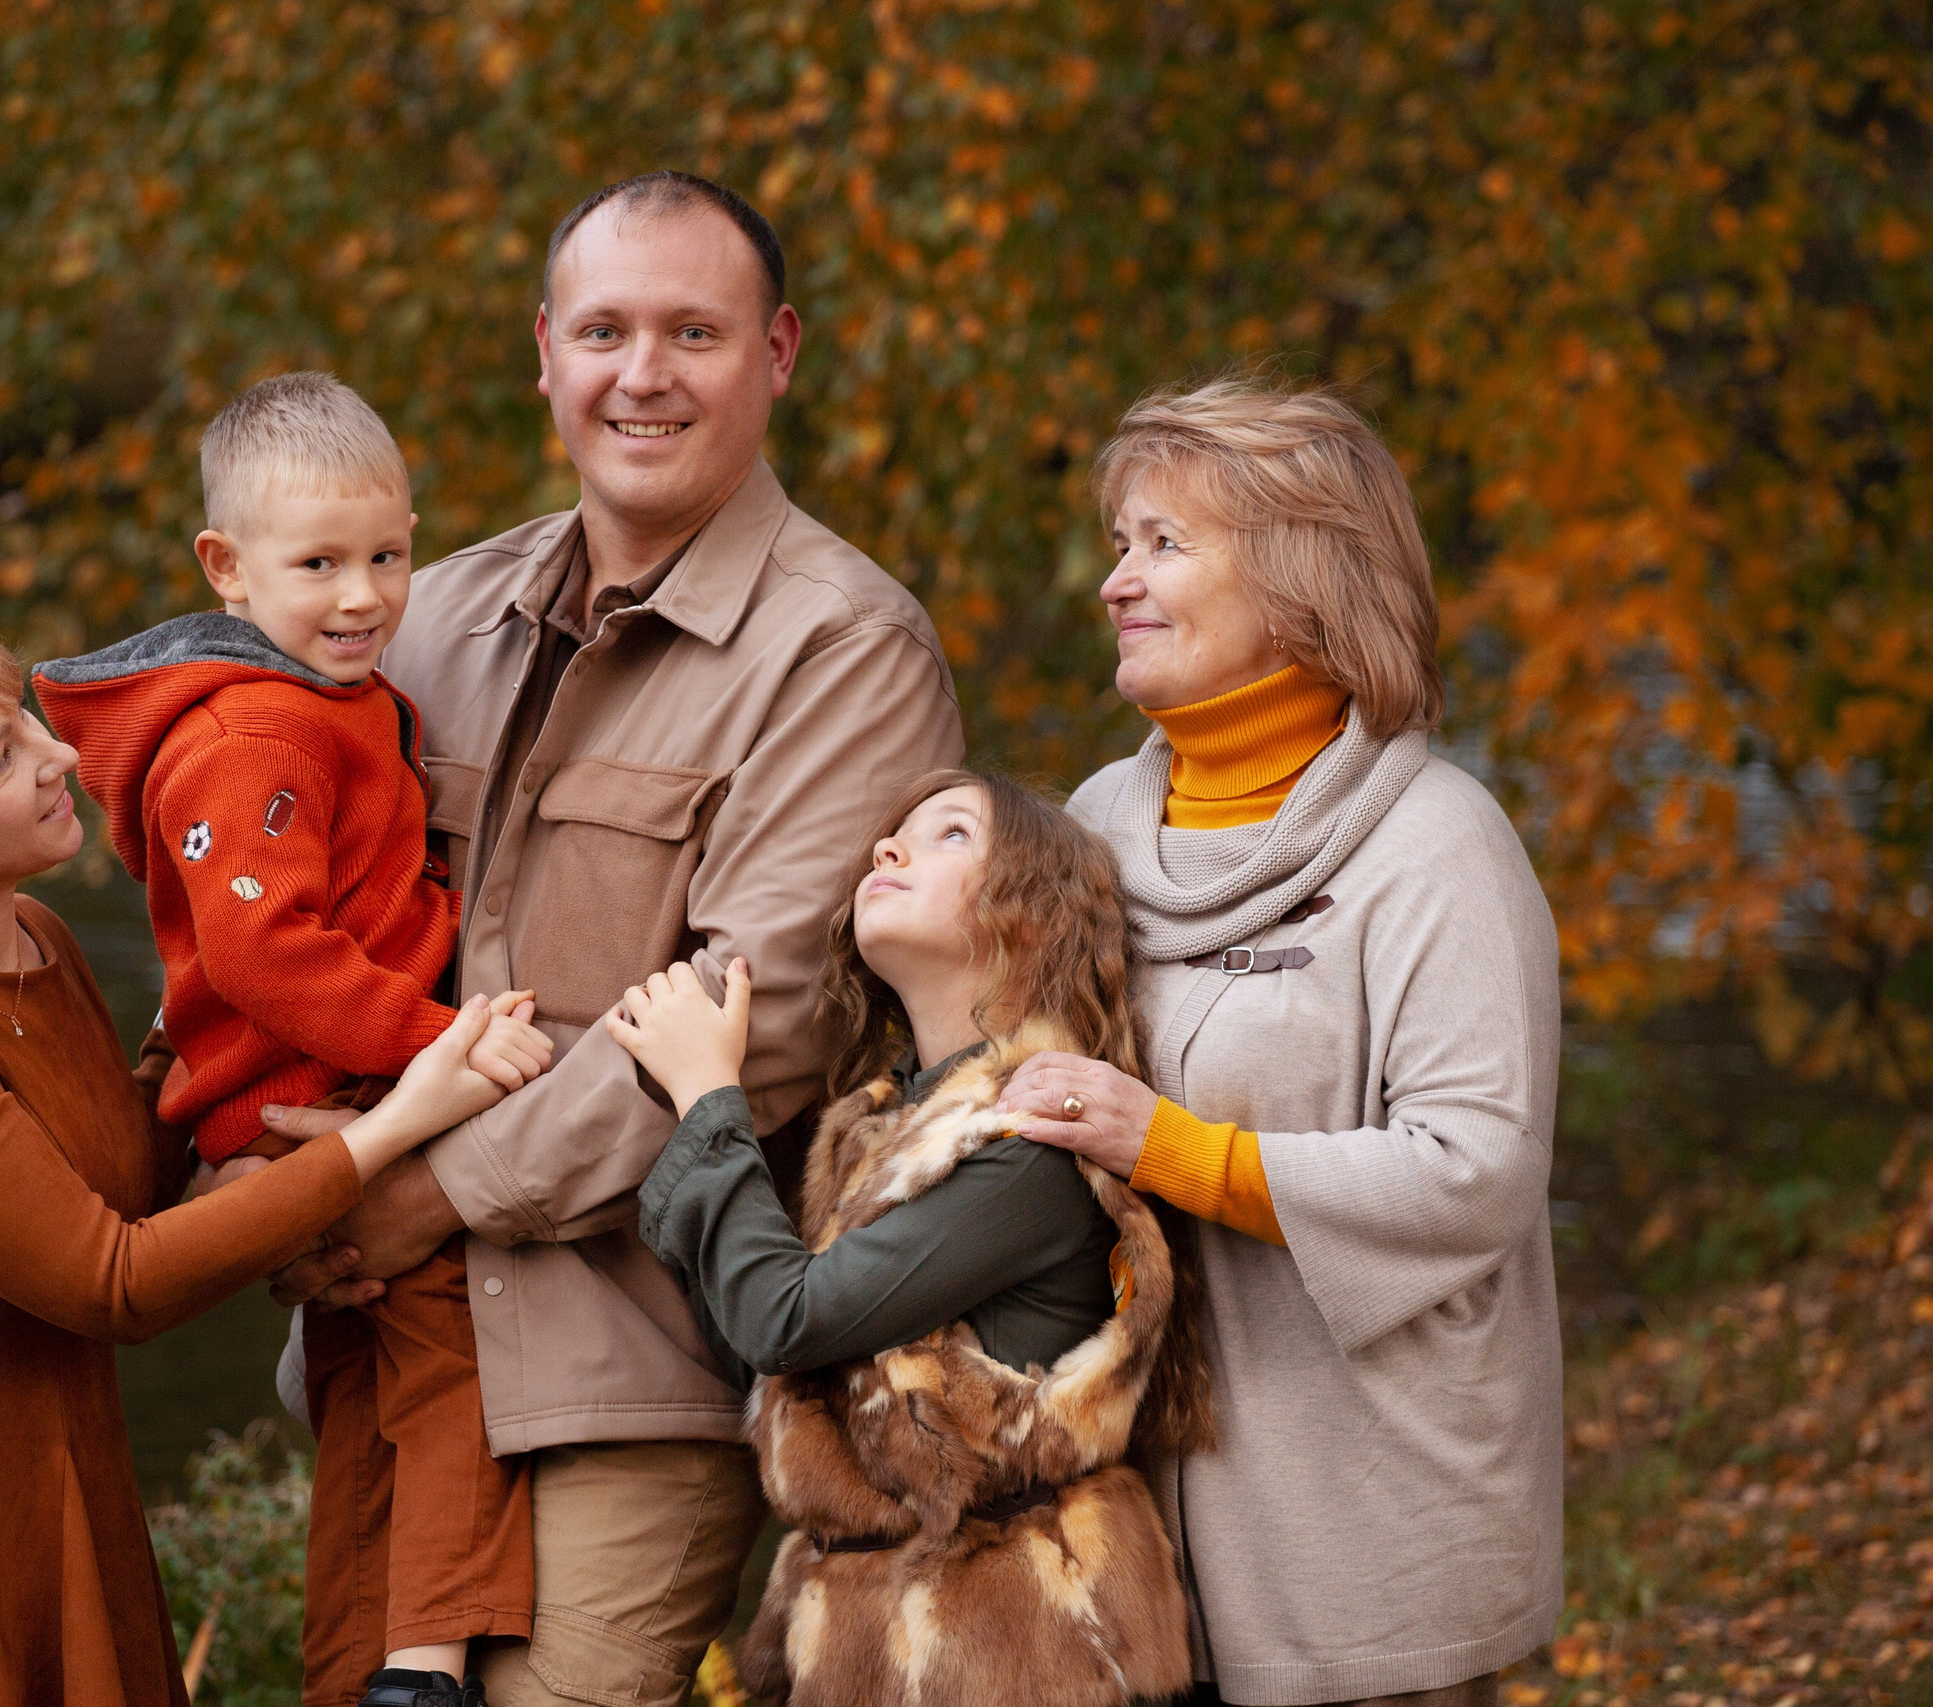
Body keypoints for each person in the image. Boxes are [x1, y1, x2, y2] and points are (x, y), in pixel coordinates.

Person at [260, 170, 965, 1705]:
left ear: (777, 353)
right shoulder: (424, 618)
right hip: (389, 1357)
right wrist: (238, 1175)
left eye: (692, 332)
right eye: (604, 331)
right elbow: (272, 898)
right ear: (545, 353)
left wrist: (421, 1190)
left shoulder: (844, 647)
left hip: (628, 1375)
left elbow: (762, 1013)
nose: (642, 374)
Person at [0, 615, 548, 1707]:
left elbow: (123, 1166)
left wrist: (259, 1161)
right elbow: (108, 1278)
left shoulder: (37, 938)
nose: (59, 755)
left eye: (23, 722)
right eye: (0, 759)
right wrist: (392, 1130)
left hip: (62, 1486)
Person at [1001, 376, 1563, 1706]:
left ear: (1302, 582)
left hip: (1366, 1520)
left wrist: (1178, 1150)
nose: (1115, 583)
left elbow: (1477, 1168)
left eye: (1164, 543)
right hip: (1123, 1529)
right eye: (1120, 543)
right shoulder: (1096, 823)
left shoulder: (1436, 843)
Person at [33, 373, 546, 1707]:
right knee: (454, 1362)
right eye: (318, 564)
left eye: (387, 556)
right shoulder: (250, 730)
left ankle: (351, 1670)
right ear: (227, 566)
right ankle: (426, 1669)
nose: (361, 595)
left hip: (325, 1076)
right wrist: (438, 1041)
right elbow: (263, 951)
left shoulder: (331, 695)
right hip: (318, 1084)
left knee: (361, 1393)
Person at [613, 771, 1201, 1707]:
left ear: (1036, 919)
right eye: (895, 835)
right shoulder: (876, 1127)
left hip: (1014, 1649)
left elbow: (786, 1322)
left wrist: (707, 1098)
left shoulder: (1035, 1140)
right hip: (868, 1636)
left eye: (951, 834)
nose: (888, 848)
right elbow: (768, 1366)